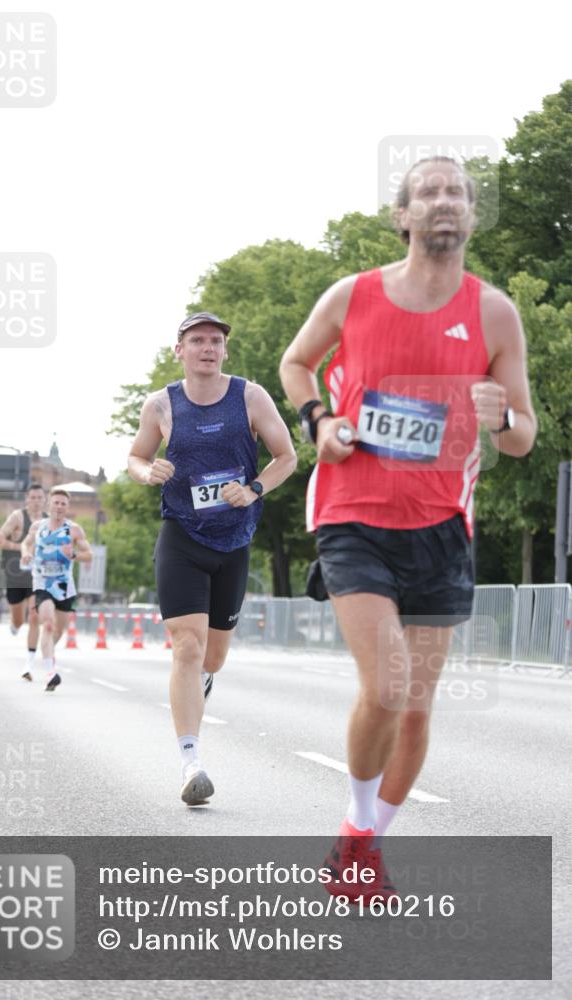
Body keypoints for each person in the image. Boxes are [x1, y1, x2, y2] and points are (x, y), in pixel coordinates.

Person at [279, 156, 537, 900]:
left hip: (441, 526)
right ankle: (356, 821)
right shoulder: (353, 295)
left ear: (469, 216)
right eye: (428, 191)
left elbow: (521, 434)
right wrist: (320, 423)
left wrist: (503, 418)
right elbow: (297, 363)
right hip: (352, 515)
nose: (443, 200)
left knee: (416, 712)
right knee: (387, 688)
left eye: (456, 191)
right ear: (403, 217)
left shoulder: (494, 312)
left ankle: (361, 845)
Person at [128, 311, 297, 806]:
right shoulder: (161, 404)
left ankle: (199, 680)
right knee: (186, 645)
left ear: (225, 350)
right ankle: (191, 762)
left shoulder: (250, 395)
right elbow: (136, 456)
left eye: (215, 340)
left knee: (212, 657)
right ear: (178, 350)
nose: (207, 347)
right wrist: (146, 472)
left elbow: (286, 456)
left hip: (234, 540)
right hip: (181, 536)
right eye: (197, 340)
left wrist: (254, 489)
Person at [20, 488, 92, 691]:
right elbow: (25, 545)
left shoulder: (74, 530)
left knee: (59, 630)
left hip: (65, 586)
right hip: (43, 583)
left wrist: (75, 555)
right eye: (56, 502)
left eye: (63, 504)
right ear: (49, 505)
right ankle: (51, 672)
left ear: (67, 507)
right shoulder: (37, 527)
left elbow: (89, 555)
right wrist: (26, 554)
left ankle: (49, 654)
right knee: (48, 624)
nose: (59, 507)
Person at [0, 484, 47, 677]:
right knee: (18, 620)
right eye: (32, 497)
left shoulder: (49, 521)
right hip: (16, 575)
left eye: (39, 497)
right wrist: (23, 549)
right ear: (27, 499)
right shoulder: (17, 517)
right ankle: (14, 625)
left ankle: (29, 664)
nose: (36, 501)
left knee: (34, 615)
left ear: (44, 500)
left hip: (38, 577)